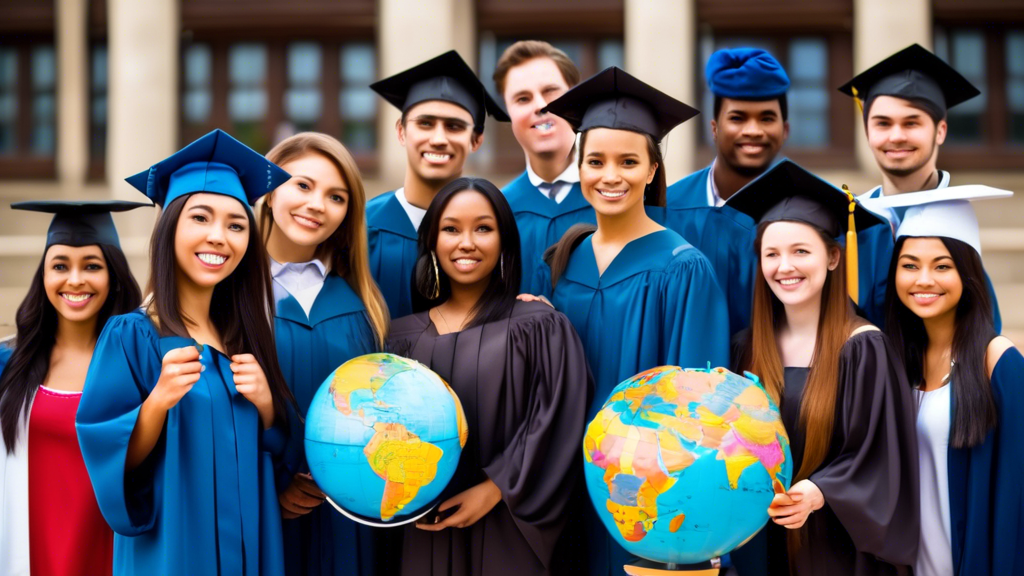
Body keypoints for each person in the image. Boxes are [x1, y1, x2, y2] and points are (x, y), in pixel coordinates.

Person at [534, 66, 730, 576]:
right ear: (578, 168)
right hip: (560, 487)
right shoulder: (560, 260)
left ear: (651, 170)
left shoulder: (684, 268)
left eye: (628, 161)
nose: (610, 175)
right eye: (595, 161)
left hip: (642, 495)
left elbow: (698, 414)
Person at [76, 129, 296, 575]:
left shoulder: (247, 340)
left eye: (236, 225)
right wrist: (157, 402)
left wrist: (269, 408)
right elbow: (108, 460)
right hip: (172, 553)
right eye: (200, 217)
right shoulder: (133, 336)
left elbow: (279, 456)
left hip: (250, 549)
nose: (220, 236)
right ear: (170, 225)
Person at [387, 177, 591, 576]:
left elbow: (559, 420)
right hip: (421, 525)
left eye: (483, 228)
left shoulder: (539, 326)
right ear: (431, 241)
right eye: (451, 229)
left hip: (509, 525)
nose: (467, 242)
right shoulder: (398, 339)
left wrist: (496, 488)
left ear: (504, 242)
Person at [729, 160, 919, 576]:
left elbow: (881, 455)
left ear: (833, 256)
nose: (785, 267)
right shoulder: (746, 349)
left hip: (837, 548)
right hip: (759, 542)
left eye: (801, 251)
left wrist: (818, 492)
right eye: (771, 254)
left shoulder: (863, 348)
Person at [868, 185, 1023, 575]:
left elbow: (1016, 496)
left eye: (942, 266)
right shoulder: (897, 361)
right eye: (909, 265)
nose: (924, 280)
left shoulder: (998, 362)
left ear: (967, 274)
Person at [259, 132, 390, 576]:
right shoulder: (231, 292)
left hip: (348, 512)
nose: (317, 204)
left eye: (336, 197)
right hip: (262, 509)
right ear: (269, 187)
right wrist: (272, 485)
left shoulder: (362, 301)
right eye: (303, 185)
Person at [0, 201, 146, 575]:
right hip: (27, 551)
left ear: (113, 275)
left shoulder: (141, 363)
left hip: (112, 551)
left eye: (92, 266)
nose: (75, 280)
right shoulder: (9, 364)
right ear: (44, 276)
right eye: (60, 265)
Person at [838, 43, 1001, 329]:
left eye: (912, 123)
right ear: (867, 131)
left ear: (940, 131)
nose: (896, 136)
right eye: (883, 123)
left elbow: (983, 330)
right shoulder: (849, 221)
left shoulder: (957, 222)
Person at [367, 51, 509, 318]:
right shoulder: (361, 230)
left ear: (476, 140)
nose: (438, 138)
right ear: (401, 131)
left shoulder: (499, 232)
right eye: (425, 123)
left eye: (454, 127)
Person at [663, 48, 790, 334]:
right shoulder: (668, 209)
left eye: (767, 118)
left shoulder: (809, 210)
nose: (753, 130)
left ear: (785, 130)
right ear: (714, 128)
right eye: (738, 118)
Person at [494, 40, 595, 292]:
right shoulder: (497, 212)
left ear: (576, 98)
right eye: (522, 98)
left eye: (551, 91)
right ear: (508, 112)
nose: (540, 105)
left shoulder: (617, 198)